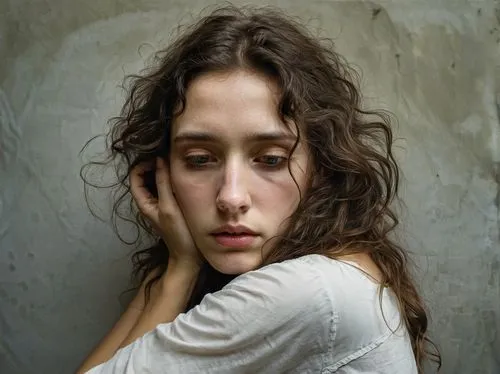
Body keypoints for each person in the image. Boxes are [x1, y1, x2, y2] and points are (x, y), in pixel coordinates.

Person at [77, 5, 441, 374]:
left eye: (270, 159)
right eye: (201, 159)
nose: (232, 198)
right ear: (163, 173)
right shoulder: (334, 273)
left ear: (321, 167)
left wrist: (178, 271)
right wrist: (179, 265)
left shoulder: (309, 292)